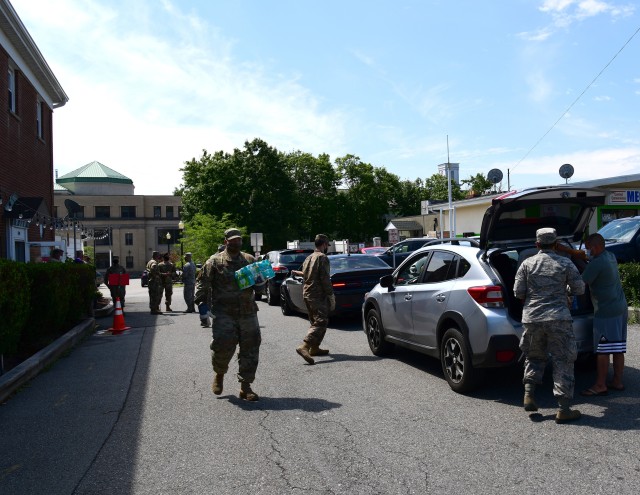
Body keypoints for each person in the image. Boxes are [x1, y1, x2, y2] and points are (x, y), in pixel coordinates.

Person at [514, 227, 585, 423]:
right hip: (559, 318)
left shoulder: (527, 264)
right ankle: (564, 409)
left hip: (532, 318)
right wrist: (566, 290)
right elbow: (579, 288)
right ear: (555, 244)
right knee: (563, 360)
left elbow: (518, 292)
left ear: (537, 245)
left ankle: (529, 393)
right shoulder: (565, 262)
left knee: (534, 356)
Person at [195, 228, 261, 401]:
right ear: (226, 242)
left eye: (238, 240)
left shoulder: (249, 260)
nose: (236, 242)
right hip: (224, 313)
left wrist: (262, 278)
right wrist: (202, 305)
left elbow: (258, 285)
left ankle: (245, 386)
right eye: (232, 240)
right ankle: (219, 374)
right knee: (222, 346)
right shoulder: (214, 262)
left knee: (251, 348)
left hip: (247, 312)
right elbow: (202, 284)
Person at [579, 233, 627, 396]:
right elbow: (584, 258)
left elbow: (579, 284)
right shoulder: (610, 256)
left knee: (603, 350)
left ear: (595, 247)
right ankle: (617, 381)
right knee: (618, 347)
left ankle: (600, 385)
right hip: (620, 307)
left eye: (588, 248)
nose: (587, 251)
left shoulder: (597, 263)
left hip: (606, 311)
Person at [294, 234, 335, 365]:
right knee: (321, 321)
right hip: (317, 295)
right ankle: (305, 346)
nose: (327, 248)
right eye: (327, 245)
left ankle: (315, 348)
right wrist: (331, 296)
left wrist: (297, 272)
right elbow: (325, 278)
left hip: (307, 293)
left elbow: (307, 274)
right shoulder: (322, 258)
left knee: (314, 321)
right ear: (324, 244)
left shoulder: (309, 258)